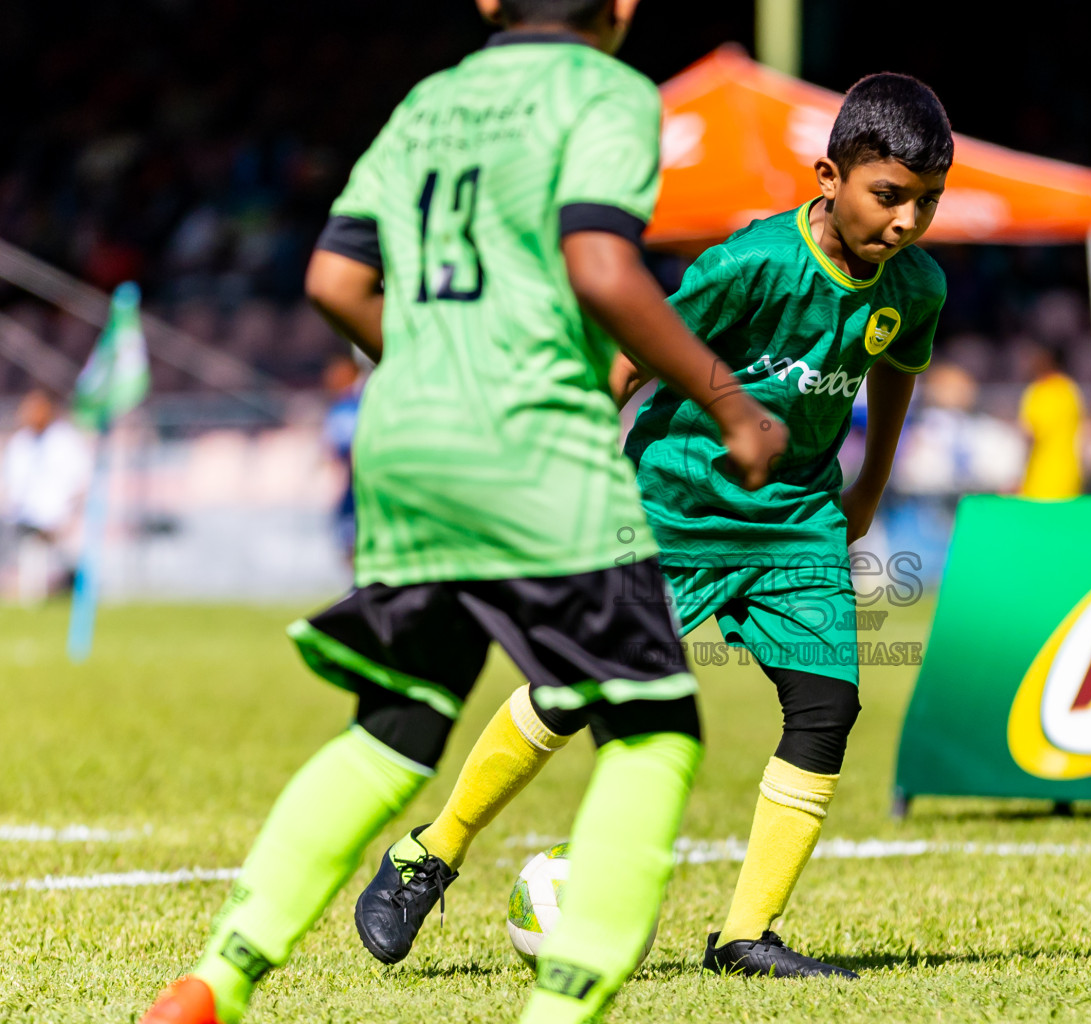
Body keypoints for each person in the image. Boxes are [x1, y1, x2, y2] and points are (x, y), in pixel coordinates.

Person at [139, 1, 786, 1022]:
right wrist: (727, 401)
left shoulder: (428, 102)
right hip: (533, 443)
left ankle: (217, 975)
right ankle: (560, 1010)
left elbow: (335, 280)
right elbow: (602, 266)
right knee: (652, 727)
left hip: (404, 441)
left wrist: (438, 372)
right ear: (620, 7)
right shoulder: (607, 93)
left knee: (392, 727)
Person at [360, 71, 951, 980]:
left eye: (928, 202)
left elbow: (897, 368)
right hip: (670, 507)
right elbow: (635, 356)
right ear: (829, 176)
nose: (908, 221)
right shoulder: (750, 264)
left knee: (827, 708)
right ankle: (426, 856)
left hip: (795, 522)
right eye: (889, 197)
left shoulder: (916, 285)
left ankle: (746, 936)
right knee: (573, 691)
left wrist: (870, 482)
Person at [1, 388, 91, 604]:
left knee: (69, 563)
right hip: (27, 517)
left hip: (61, 516)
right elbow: (10, 482)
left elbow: (82, 479)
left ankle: (72, 592)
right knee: (32, 560)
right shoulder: (20, 443)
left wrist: (72, 515)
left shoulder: (66, 440)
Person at [1017, 342, 1082, 499]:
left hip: (1041, 479)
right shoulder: (1071, 390)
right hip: (1071, 476)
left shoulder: (1038, 393)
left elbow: (1028, 435)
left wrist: (1017, 476)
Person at [319, 354, 363, 564]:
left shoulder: (363, 403)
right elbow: (332, 450)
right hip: (349, 487)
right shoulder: (338, 409)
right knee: (347, 540)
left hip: (365, 485)